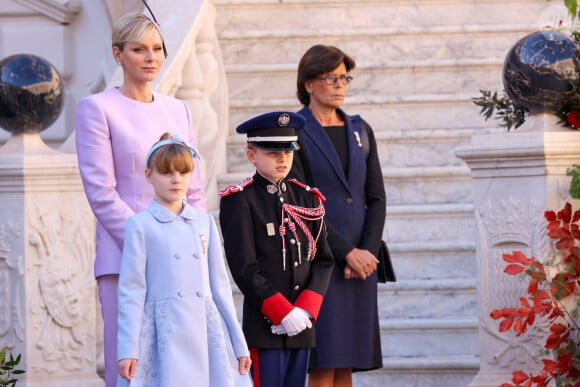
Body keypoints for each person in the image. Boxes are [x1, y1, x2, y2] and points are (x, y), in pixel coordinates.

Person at [75, 12, 206, 387]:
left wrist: (194, 239)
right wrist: (150, 240)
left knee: (179, 367)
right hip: (126, 259)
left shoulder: (178, 109)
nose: (150, 58)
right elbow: (101, 193)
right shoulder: (96, 108)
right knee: (132, 370)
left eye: (156, 49)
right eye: (138, 49)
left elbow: (193, 187)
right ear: (118, 55)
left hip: (180, 260)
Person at [117, 133, 251, 386]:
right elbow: (131, 291)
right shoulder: (140, 225)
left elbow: (220, 287)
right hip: (163, 332)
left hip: (206, 328)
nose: (176, 179)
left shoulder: (203, 222)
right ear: (149, 176)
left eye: (183, 172)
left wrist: (238, 342)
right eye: (167, 173)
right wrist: (127, 350)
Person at [292, 44, 386, 386]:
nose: (339, 85)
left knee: (347, 361)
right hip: (320, 259)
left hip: (361, 263)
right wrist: (347, 251)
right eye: (330, 77)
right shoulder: (294, 131)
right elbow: (300, 203)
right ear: (308, 83)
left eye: (344, 77)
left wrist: (366, 252)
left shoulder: (361, 129)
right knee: (323, 360)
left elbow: (375, 197)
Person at [219, 111, 334, 387]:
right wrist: (282, 312)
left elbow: (323, 260)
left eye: (288, 150)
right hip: (265, 326)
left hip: (301, 326)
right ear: (251, 155)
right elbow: (245, 269)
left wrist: (304, 310)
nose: (282, 158)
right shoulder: (241, 200)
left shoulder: (307, 197)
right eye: (272, 152)